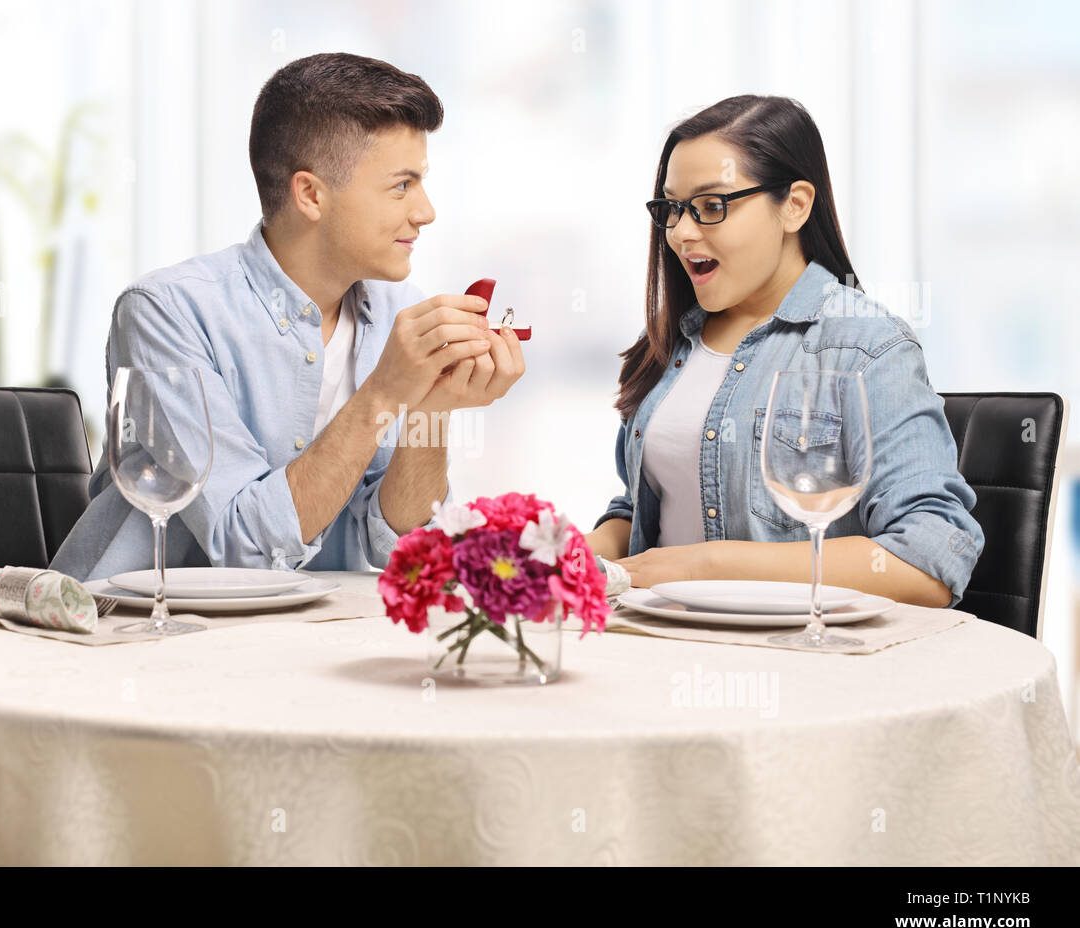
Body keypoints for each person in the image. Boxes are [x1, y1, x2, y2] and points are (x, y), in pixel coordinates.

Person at [51, 53, 525, 581]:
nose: (426, 211)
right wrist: (385, 393)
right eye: (401, 185)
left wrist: (430, 411)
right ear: (310, 194)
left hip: (315, 640)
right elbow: (241, 548)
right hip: (145, 634)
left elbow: (406, 553)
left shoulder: (398, 312)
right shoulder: (166, 311)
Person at [584, 95, 982, 608]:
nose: (680, 233)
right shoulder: (673, 342)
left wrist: (703, 566)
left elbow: (928, 558)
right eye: (672, 209)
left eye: (711, 206)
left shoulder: (867, 346)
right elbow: (640, 508)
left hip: (798, 663)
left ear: (794, 205)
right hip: (660, 646)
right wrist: (580, 556)